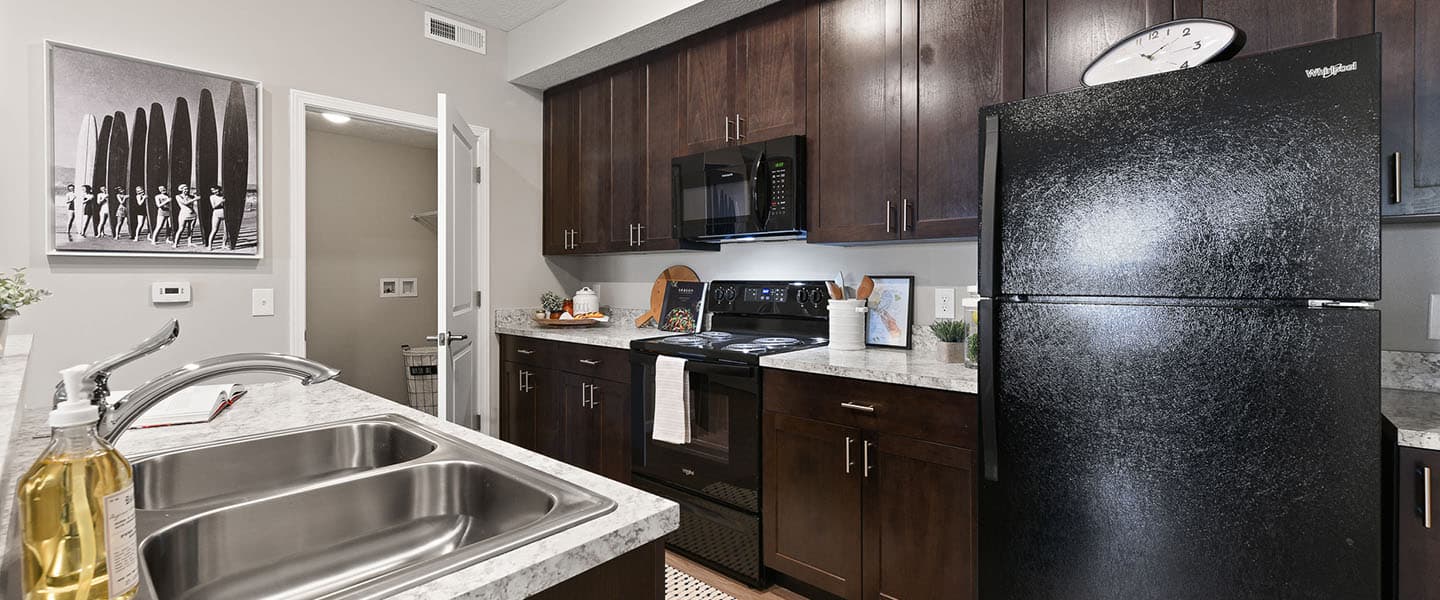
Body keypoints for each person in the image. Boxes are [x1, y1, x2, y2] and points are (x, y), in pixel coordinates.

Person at [172, 184, 200, 248]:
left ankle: (189, 242)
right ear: (181, 190)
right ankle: (176, 243)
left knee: (191, 229)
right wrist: (195, 199)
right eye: (185, 189)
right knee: (181, 229)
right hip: (184, 214)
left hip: (192, 214)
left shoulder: (191, 196)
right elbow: (185, 203)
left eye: (187, 189)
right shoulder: (178, 196)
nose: (186, 190)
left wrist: (195, 196)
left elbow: (195, 203)